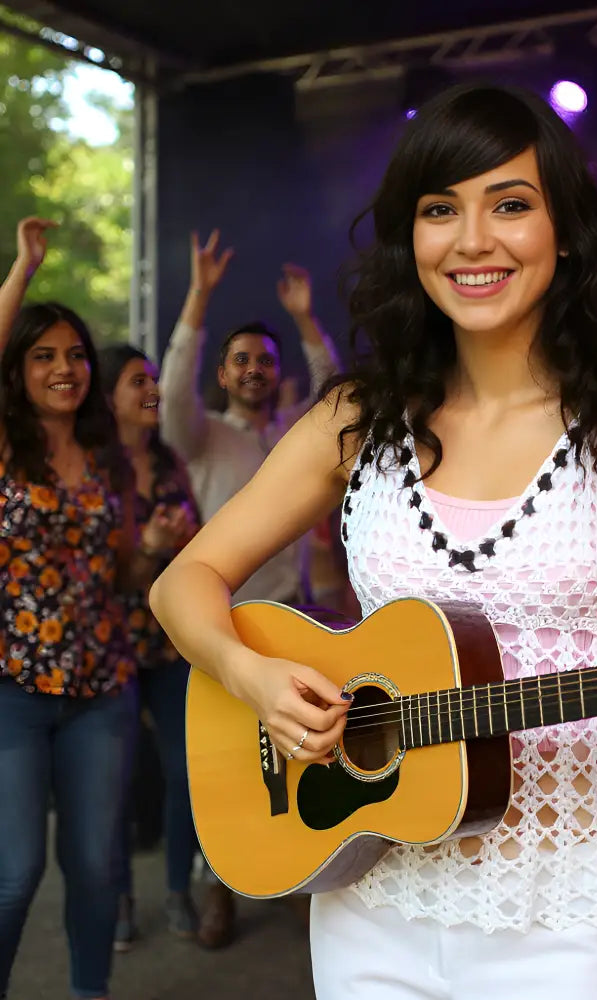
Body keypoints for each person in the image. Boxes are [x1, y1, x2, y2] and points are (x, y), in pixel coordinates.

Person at [150, 82, 597, 999]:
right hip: (366, 887)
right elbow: (183, 582)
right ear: (410, 241)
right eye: (439, 210)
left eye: (510, 204)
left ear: (567, 230)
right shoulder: (354, 419)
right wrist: (250, 674)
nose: (472, 240)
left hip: (564, 910)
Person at [0, 218, 172, 1000]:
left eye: (73, 355)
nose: (65, 368)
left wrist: (158, 549)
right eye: (44, 356)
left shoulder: (107, 459)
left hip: (104, 686)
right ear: (17, 371)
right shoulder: (6, 445)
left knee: (98, 865)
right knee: (14, 873)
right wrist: (23, 272)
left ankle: (89, 992)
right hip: (14, 690)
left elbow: (125, 572)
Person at [157, 235, 341, 946]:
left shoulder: (301, 436)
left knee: (291, 750)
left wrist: (304, 324)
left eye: (265, 361)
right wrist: (199, 299)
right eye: (242, 361)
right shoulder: (199, 437)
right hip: (214, 623)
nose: (255, 370)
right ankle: (216, 885)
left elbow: (337, 391)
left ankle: (283, 878)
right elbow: (174, 383)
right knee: (220, 764)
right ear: (225, 376)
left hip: (291, 620)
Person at [98, 344, 199, 950]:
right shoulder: (90, 468)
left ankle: (178, 890)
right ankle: (116, 901)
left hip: (169, 645)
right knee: (111, 781)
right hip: (107, 644)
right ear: (109, 396)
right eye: (139, 381)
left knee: (187, 773)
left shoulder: (171, 464)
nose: (152, 390)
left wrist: (185, 545)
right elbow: (89, 572)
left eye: (155, 379)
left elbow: (201, 548)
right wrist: (150, 548)